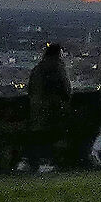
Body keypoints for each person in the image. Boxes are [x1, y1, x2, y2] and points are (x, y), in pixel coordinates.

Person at [17, 43, 70, 173]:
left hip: (36, 105)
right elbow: (65, 87)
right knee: (48, 135)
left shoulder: (37, 68)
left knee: (35, 134)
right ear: (58, 54)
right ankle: (44, 162)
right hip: (51, 105)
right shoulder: (57, 67)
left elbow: (31, 89)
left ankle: (26, 161)